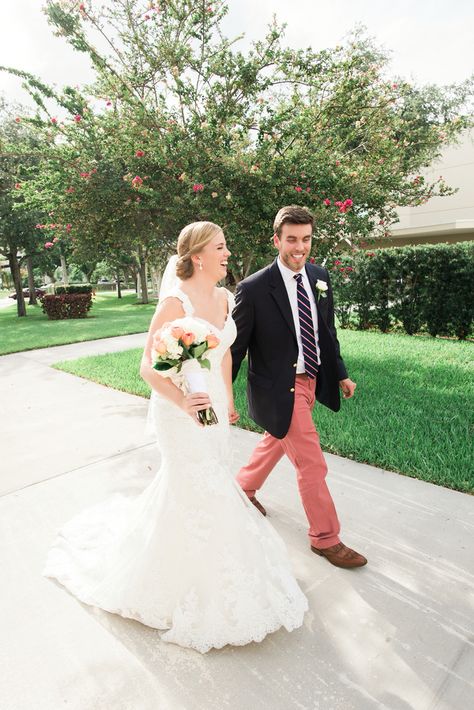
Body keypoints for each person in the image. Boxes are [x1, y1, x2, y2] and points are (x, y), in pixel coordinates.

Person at [43, 221, 308, 653]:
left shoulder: (225, 297)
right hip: (179, 410)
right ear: (198, 256)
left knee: (211, 480)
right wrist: (184, 401)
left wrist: (228, 399)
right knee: (197, 485)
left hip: (214, 408)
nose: (227, 254)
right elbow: (148, 367)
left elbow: (222, 354)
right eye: (221, 248)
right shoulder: (174, 301)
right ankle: (187, 584)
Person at [231, 205, 367, 569]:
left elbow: (326, 333)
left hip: (312, 381)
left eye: (306, 239)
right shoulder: (254, 288)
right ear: (276, 240)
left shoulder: (319, 277)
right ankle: (325, 538)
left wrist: (340, 374)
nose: (299, 247)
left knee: (276, 439)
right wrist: (223, 396)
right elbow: (236, 349)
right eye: (291, 239)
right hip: (279, 388)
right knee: (312, 463)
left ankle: (243, 487)